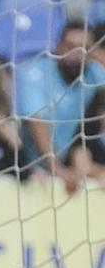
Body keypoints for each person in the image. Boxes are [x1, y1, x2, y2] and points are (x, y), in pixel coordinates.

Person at [16, 19, 105, 192]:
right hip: (30, 165)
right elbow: (38, 123)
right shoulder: (36, 74)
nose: (77, 54)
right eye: (70, 47)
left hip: (68, 161)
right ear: (58, 47)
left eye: (84, 49)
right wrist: (59, 170)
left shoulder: (95, 75)